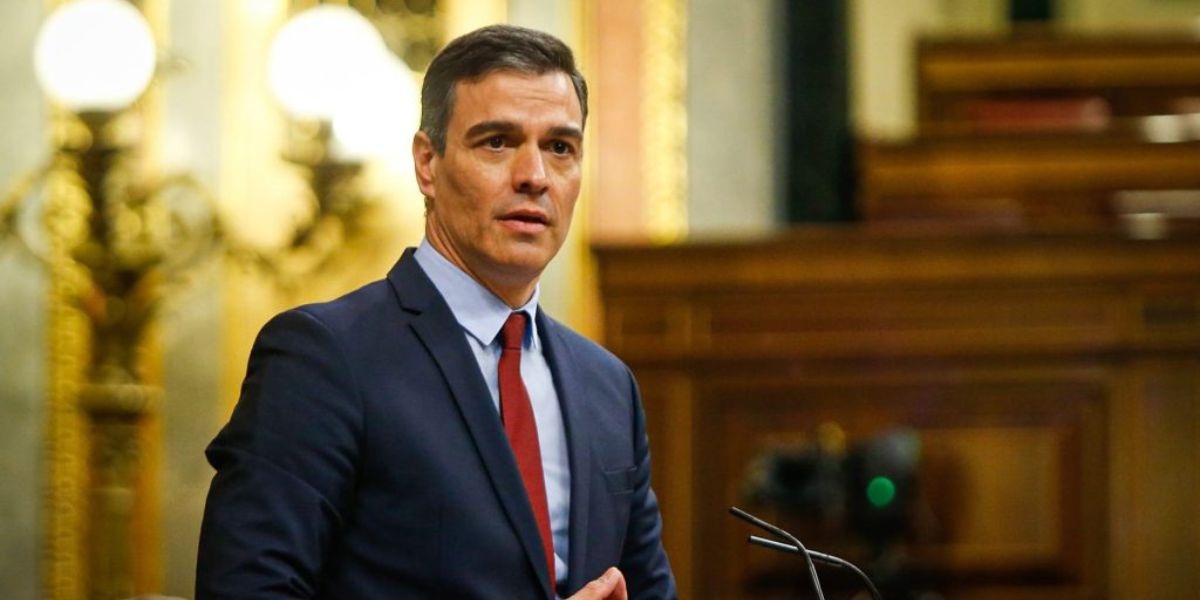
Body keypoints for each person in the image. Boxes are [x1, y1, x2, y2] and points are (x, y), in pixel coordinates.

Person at [196, 24, 676, 599]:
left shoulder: (608, 386)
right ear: (427, 163)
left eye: (560, 148)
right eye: (497, 142)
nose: (534, 176)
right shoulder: (324, 356)